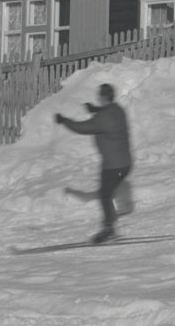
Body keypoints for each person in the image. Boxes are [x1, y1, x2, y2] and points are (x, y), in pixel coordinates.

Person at [55, 81, 133, 242]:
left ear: (102, 97)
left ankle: (108, 229)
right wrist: (95, 110)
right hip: (124, 164)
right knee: (107, 193)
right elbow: (106, 113)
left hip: (113, 165)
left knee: (105, 195)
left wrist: (64, 120)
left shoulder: (104, 118)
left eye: (99, 96)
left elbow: (83, 127)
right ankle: (110, 226)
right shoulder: (118, 110)